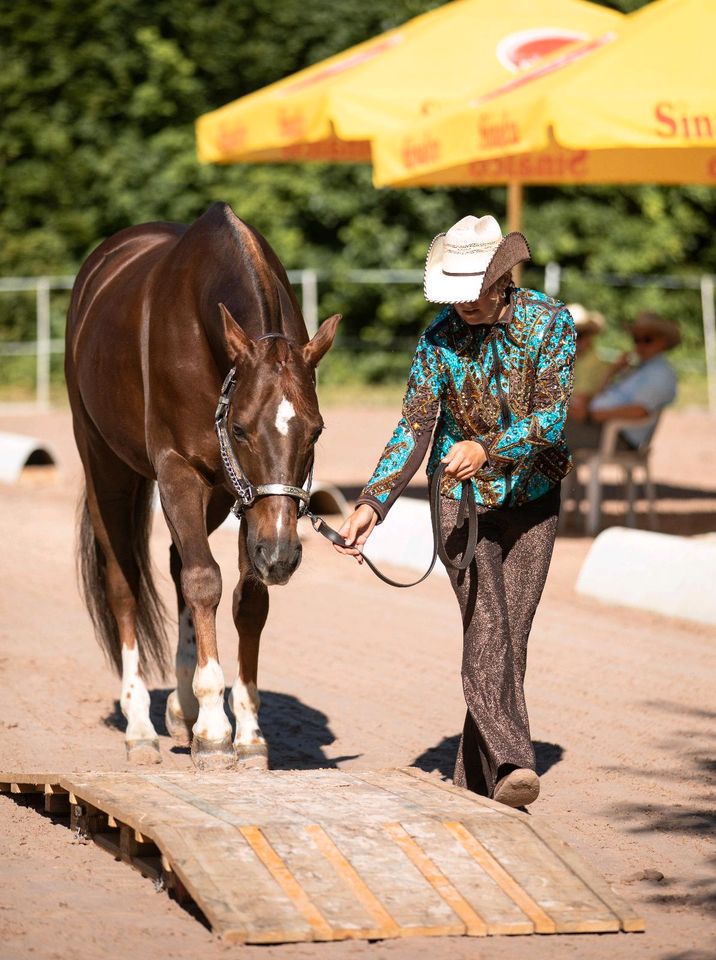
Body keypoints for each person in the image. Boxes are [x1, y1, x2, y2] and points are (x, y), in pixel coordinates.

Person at [335, 215, 576, 808]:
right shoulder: (435, 338)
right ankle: (517, 764)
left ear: (503, 277)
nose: (464, 301)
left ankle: (478, 776)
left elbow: (551, 419)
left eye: (476, 288)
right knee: (488, 625)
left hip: (532, 499)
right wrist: (375, 501)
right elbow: (415, 425)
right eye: (456, 290)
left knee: (509, 637)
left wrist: (488, 448)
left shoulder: (552, 323)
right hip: (459, 502)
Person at [565, 311, 679, 451]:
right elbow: (602, 395)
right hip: (600, 428)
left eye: (647, 339)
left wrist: (591, 415)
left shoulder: (659, 374)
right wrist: (614, 371)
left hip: (615, 436)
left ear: (663, 342)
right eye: (636, 339)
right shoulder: (640, 369)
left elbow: (640, 411)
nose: (640, 345)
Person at [568, 303, 609, 422]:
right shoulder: (576, 358)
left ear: (589, 336)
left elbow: (579, 411)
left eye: (579, 335)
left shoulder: (591, 363)